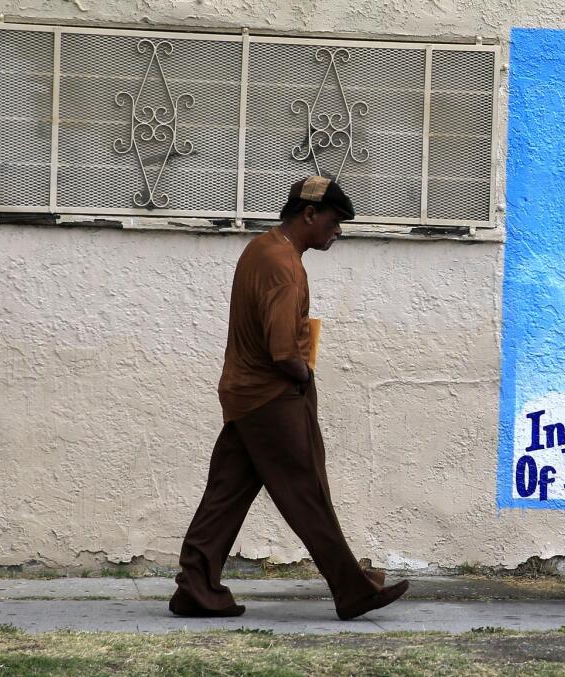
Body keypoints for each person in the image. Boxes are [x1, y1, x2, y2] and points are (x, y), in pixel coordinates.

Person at [169, 176, 408, 621]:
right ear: (310, 214)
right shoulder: (285, 267)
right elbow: (283, 350)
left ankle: (194, 588)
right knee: (308, 493)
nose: (338, 231)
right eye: (335, 221)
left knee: (225, 495)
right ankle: (352, 590)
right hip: (274, 398)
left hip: (243, 395)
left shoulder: (260, 249)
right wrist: (303, 377)